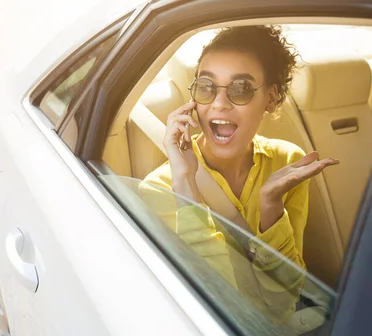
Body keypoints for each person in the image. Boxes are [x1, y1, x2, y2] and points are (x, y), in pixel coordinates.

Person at [141, 25, 339, 320]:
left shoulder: (287, 162)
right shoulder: (159, 187)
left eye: (241, 89)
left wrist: (271, 208)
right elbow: (218, 303)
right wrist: (186, 185)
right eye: (207, 87)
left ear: (271, 98)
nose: (219, 103)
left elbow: (282, 303)